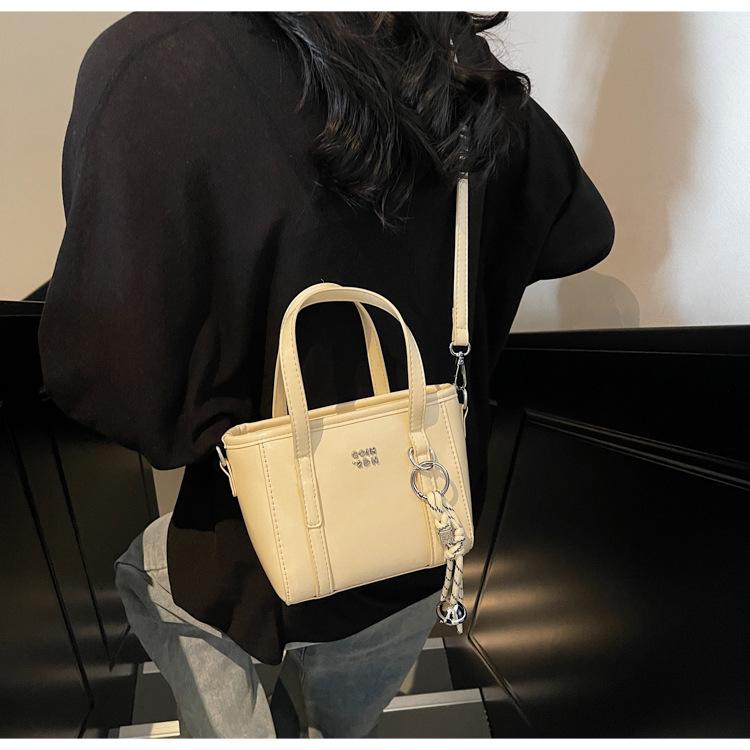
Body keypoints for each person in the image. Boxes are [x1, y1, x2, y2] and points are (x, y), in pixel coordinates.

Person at [37, 11, 615, 738]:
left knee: (148, 577)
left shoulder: (162, 62)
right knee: (344, 722)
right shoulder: (464, 74)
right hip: (418, 530)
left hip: (249, 546)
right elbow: (583, 232)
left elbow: (110, 384)